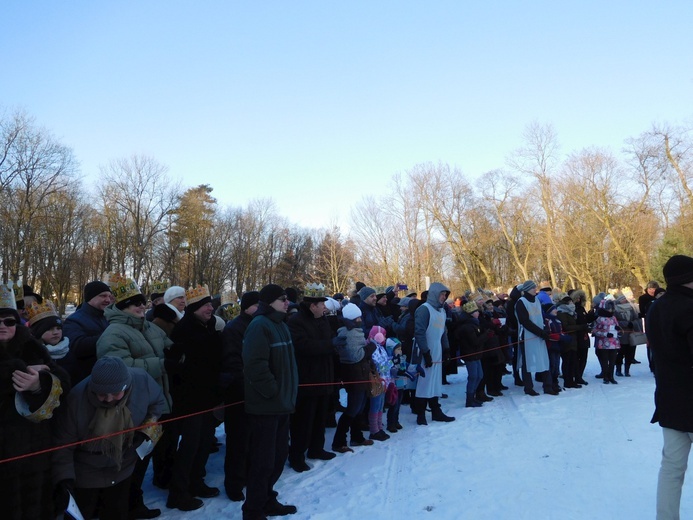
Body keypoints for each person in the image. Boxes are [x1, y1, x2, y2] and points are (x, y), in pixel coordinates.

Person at [97, 274, 173, 519]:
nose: (141, 306)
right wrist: (162, 364)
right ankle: (125, 506)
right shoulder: (113, 333)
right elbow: (121, 369)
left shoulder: (149, 326)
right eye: (133, 303)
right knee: (131, 459)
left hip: (154, 402)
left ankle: (133, 500)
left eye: (141, 301)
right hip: (130, 408)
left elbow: (168, 345)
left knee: (144, 456)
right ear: (121, 307)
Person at [53, 357, 165, 520]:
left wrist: (145, 431)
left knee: (117, 511)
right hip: (87, 471)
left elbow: (157, 404)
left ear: (127, 386)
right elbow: (63, 444)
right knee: (83, 512)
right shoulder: (76, 400)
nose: (109, 399)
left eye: (115, 393)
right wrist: (64, 479)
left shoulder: (142, 381)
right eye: (102, 394)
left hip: (123, 465)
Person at [0, 283, 69, 520]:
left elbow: (63, 381)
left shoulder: (31, 345)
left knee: (35, 504)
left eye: (9, 321)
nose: (3, 326)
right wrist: (15, 373)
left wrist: (40, 384)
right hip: (3, 448)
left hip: (34, 446)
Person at [242, 284, 298, 520]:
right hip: (267, 407)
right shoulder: (259, 326)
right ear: (269, 302)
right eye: (282, 299)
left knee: (278, 457)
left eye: (287, 299)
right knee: (263, 462)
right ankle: (253, 510)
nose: (287, 303)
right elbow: (255, 366)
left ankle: (267, 499)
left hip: (282, 405)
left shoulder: (280, 324)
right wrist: (274, 392)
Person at [166, 284, 222, 511]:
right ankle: (178, 492)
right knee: (189, 447)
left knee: (204, 444)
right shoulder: (184, 329)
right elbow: (181, 366)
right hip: (190, 400)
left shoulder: (208, 326)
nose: (211, 308)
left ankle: (196, 482)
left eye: (211, 304)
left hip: (207, 397)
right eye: (206, 305)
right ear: (195, 308)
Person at [647, 255, 693, 519]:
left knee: (671, 467)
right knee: (672, 467)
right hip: (687, 397)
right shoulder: (689, 308)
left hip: (669, 399)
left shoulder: (658, 307)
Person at [287, 287, 336, 472]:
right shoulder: (296, 321)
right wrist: (330, 345)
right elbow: (302, 346)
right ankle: (296, 455)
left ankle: (316, 448)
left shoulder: (322, 319)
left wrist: (335, 342)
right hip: (308, 379)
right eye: (322, 304)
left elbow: (329, 338)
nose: (325, 307)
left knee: (320, 418)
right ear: (312, 305)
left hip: (324, 376)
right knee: (303, 421)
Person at [220, 290, 260, 501]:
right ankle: (234, 483)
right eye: (257, 305)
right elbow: (233, 362)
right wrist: (247, 381)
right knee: (238, 440)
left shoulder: (258, 324)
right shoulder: (234, 328)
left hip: (256, 392)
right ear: (247, 307)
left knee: (253, 438)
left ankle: (247, 475)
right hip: (239, 392)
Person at [331, 303, 376, 453]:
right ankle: (339, 441)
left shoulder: (357, 331)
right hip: (354, 374)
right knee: (352, 409)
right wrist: (370, 347)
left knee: (359, 408)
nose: (360, 320)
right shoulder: (348, 333)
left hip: (361, 373)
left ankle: (357, 436)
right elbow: (355, 356)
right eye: (358, 317)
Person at [412, 282, 455, 424]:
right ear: (435, 294)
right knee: (424, 383)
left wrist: (447, 349)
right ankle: (420, 414)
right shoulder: (424, 309)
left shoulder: (442, 311)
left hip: (437, 350)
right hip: (425, 351)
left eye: (445, 295)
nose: (444, 297)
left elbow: (443, 333)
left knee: (435, 382)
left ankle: (436, 410)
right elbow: (419, 332)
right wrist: (426, 352)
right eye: (442, 294)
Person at [62, 280, 112, 384]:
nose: (108, 300)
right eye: (103, 296)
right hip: (86, 379)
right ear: (90, 298)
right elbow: (76, 346)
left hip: (107, 375)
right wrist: (110, 337)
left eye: (109, 296)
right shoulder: (74, 320)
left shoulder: (107, 317)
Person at [514, 281, 552, 396]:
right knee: (528, 362)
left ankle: (548, 386)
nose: (535, 289)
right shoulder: (521, 302)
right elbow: (525, 322)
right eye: (533, 288)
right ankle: (528, 387)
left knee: (544, 359)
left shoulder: (536, 300)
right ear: (527, 289)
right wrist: (540, 332)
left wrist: (545, 329)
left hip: (540, 335)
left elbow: (540, 316)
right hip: (527, 336)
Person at [27, 300, 70, 371]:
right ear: (38, 332)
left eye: (58, 328)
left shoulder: (69, 350)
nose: (55, 332)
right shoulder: (30, 355)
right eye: (49, 329)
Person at [592, 297, 621, 385]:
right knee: (605, 361)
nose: (610, 310)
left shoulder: (613, 318)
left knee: (612, 361)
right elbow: (594, 331)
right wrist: (605, 334)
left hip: (614, 343)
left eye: (611, 308)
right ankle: (605, 376)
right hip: (603, 343)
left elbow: (618, 328)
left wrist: (618, 329)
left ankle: (611, 376)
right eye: (608, 308)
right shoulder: (599, 319)